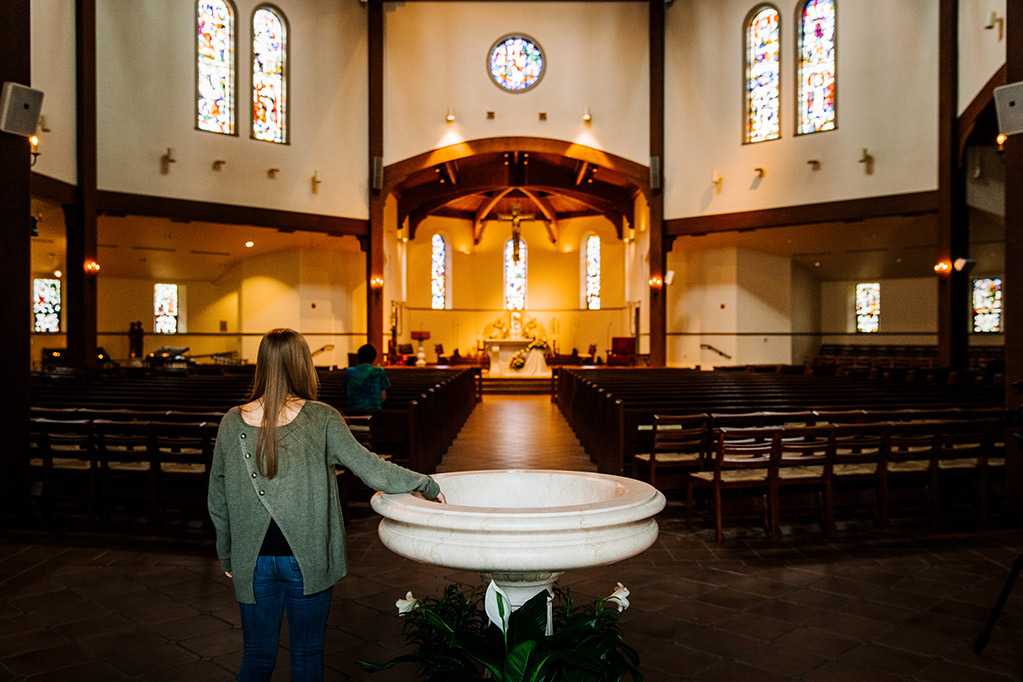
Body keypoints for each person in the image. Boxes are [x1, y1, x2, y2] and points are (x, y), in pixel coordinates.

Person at [208, 329, 445, 681]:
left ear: (261, 365)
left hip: (252, 561)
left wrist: (228, 555)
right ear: (303, 364)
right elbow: (371, 469)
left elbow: (217, 498)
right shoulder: (322, 418)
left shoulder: (232, 421)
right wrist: (423, 482)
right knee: (306, 655)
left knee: (257, 655)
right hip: (307, 557)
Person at [344, 343, 391, 410]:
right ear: (374, 357)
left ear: (358, 357)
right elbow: (383, 397)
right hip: (375, 412)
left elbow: (346, 391)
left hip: (354, 411)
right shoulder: (379, 371)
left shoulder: (349, 372)